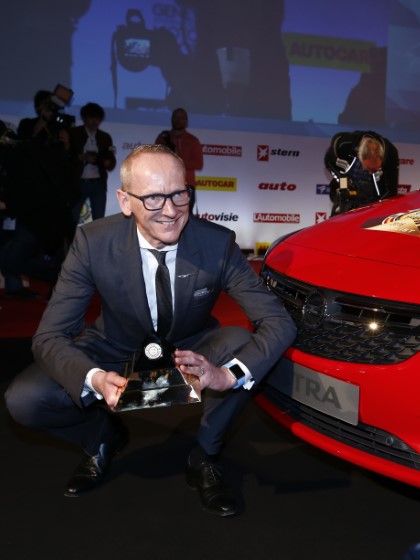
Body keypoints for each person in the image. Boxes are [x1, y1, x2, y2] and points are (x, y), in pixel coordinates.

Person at [4, 144, 296, 517]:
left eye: (179, 194)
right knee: (25, 399)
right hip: (116, 347)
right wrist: (93, 379)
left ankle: (204, 455)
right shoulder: (93, 242)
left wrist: (227, 374)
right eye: (154, 198)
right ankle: (102, 439)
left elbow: (278, 322)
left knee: (240, 345)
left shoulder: (216, 243)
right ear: (125, 202)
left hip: (191, 349)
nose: (171, 211)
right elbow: (49, 337)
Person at [0, 90, 73, 298]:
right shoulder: (25, 131)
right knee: (9, 257)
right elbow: (28, 140)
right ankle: (51, 280)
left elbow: (63, 164)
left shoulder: (57, 132)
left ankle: (60, 280)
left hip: (43, 210)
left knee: (15, 258)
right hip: (27, 210)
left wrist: (65, 143)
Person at [324, 130, 399, 216]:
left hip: (373, 199)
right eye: (368, 169)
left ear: (382, 159)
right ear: (359, 154)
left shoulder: (390, 153)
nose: (371, 172)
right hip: (346, 192)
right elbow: (328, 162)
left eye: (374, 170)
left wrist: (377, 208)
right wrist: (342, 180)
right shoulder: (344, 145)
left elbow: (391, 191)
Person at [68, 102, 116, 223]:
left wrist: (106, 162)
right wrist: (82, 157)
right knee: (71, 218)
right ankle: (70, 242)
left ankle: (96, 242)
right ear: (84, 118)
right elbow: (66, 156)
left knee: (99, 221)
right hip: (77, 183)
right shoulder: (73, 133)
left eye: (98, 118)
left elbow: (112, 162)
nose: (95, 121)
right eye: (91, 117)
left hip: (98, 183)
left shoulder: (105, 137)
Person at [155, 108, 203, 211]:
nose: (178, 120)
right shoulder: (163, 138)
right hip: (164, 185)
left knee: (186, 220)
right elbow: (154, 160)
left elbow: (198, 164)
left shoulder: (193, 140)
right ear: (171, 119)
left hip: (186, 186)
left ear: (186, 121)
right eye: (175, 117)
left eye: (182, 118)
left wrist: (177, 158)